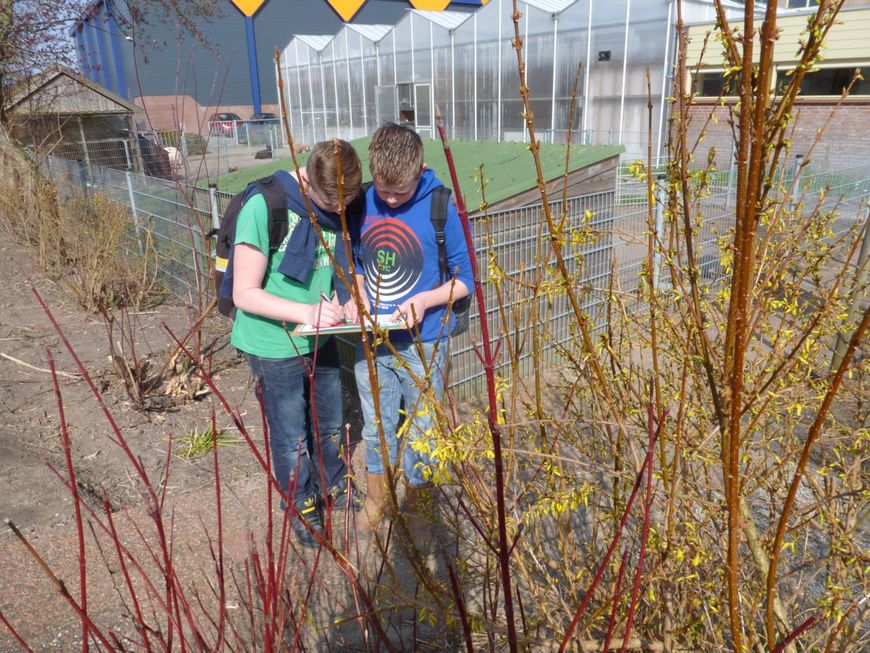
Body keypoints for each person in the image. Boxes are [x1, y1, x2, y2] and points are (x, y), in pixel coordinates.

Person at [231, 140, 363, 548]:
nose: (339, 211)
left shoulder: (337, 207)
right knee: (291, 435)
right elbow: (244, 293)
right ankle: (301, 500)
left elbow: (339, 268)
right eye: (329, 202)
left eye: (347, 203)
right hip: (274, 342)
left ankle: (332, 481)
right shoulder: (264, 207)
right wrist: (305, 313)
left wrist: (351, 301)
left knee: (327, 421)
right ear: (307, 180)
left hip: (318, 334)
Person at [349, 123, 474, 528]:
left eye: (399, 192)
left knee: (423, 425)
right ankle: (376, 497)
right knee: (377, 424)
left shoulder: (441, 207)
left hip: (426, 341)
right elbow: (353, 260)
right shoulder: (362, 202)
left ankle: (421, 503)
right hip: (374, 341)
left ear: (420, 169)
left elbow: (464, 281)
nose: (388, 199)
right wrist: (357, 293)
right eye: (383, 190)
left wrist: (423, 300)